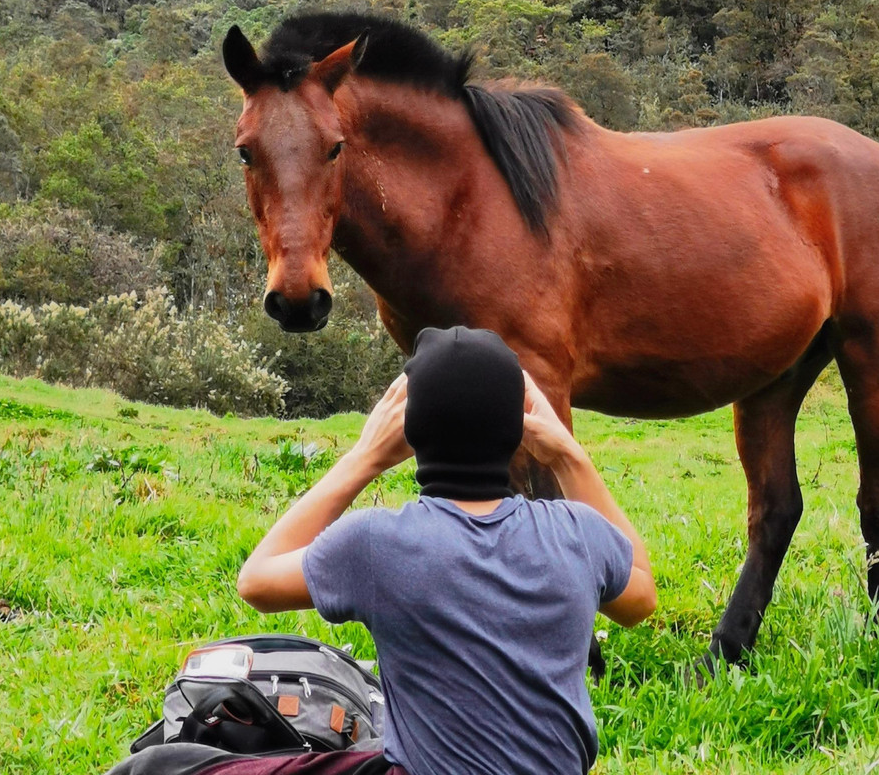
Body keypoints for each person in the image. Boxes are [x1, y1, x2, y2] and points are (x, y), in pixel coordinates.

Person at [107, 326, 655, 775]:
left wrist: (363, 458)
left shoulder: (378, 543)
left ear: (409, 432)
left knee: (159, 767)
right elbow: (640, 598)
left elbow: (256, 580)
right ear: (520, 430)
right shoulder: (578, 533)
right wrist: (568, 455)